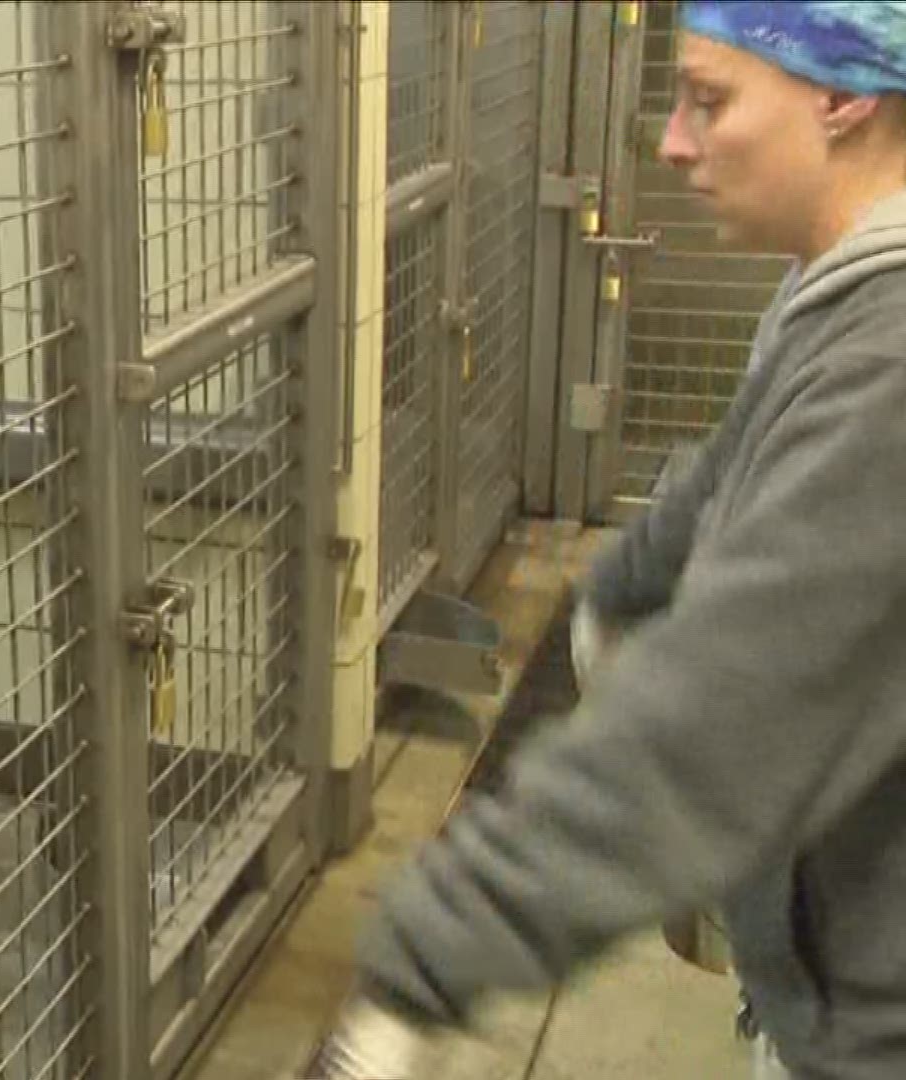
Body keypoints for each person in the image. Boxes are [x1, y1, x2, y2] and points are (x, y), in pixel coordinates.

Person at [309, 2, 906, 1078]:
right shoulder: (833, 291)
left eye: (711, 101)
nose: (673, 140)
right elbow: (732, 465)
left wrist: (431, 955)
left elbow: (720, 726)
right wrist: (621, 589)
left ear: (843, 99)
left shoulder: (891, 367)